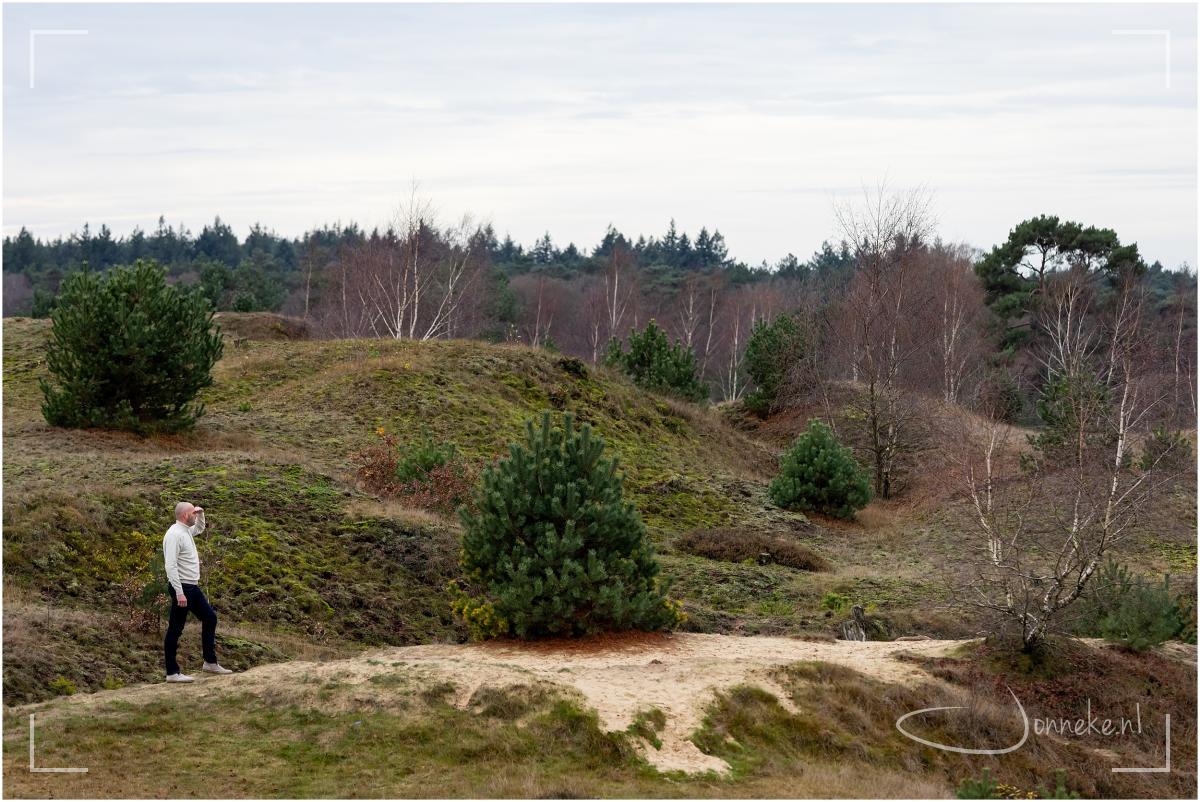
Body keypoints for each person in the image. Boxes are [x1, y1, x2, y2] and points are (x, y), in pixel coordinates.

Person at [163, 501, 233, 682]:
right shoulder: (174, 534)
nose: (195, 515)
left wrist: (201, 515)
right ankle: (172, 673)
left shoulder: (185, 530)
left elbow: (200, 529)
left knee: (210, 618)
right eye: (193, 513)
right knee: (175, 629)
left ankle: (210, 663)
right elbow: (170, 566)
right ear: (185, 516)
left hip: (192, 587)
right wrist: (179, 592)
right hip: (182, 588)